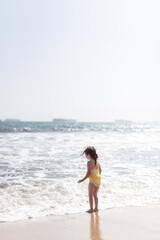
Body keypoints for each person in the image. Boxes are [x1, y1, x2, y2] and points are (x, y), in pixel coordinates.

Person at [78, 146, 102, 213]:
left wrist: (82, 180)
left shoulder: (89, 163)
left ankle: (91, 209)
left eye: (86, 155)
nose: (86, 156)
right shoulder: (97, 162)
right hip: (98, 180)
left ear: (89, 154)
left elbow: (88, 173)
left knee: (90, 195)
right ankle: (96, 208)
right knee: (95, 195)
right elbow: (100, 171)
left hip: (93, 180)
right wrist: (97, 176)